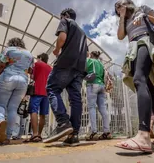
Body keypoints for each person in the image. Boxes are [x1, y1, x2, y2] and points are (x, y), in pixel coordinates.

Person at [114, 0, 154, 153]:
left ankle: (143, 135)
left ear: (127, 3)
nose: (118, 7)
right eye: (116, 7)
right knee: (150, 91)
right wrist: (121, 17)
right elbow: (120, 36)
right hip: (133, 48)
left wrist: (145, 17)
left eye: (120, 4)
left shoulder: (142, 9)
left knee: (139, 80)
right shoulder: (124, 20)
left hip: (145, 42)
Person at [43, 8, 88, 145]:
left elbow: (62, 38)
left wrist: (57, 50)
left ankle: (63, 122)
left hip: (66, 62)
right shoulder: (82, 33)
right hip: (80, 67)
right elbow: (86, 53)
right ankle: (73, 134)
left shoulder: (65, 21)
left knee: (52, 88)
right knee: (75, 99)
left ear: (65, 15)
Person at [0, 37, 34, 144]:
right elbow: (30, 70)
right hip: (23, 82)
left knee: (0, 105)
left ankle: (0, 120)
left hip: (8, 78)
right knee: (13, 109)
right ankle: (8, 136)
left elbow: (1, 65)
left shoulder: (8, 50)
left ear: (11, 43)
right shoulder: (29, 54)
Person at [24, 53, 52, 143]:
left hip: (37, 90)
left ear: (40, 58)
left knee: (33, 111)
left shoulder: (37, 64)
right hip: (46, 93)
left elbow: (33, 76)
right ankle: (39, 134)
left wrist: (29, 73)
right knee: (43, 114)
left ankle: (35, 134)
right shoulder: (50, 68)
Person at [85, 51, 112, 141]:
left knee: (92, 108)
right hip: (101, 86)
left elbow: (83, 69)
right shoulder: (101, 64)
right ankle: (107, 131)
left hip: (92, 85)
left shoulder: (90, 61)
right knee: (103, 108)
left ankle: (93, 131)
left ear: (91, 55)